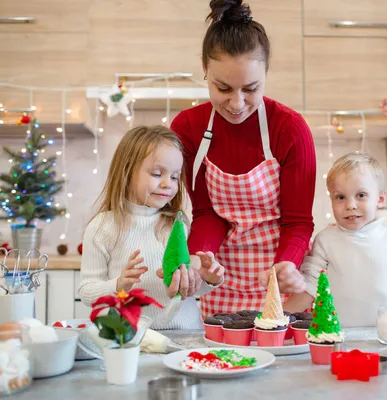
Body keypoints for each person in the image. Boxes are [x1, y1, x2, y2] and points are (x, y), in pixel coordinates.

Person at [170, 0, 316, 318]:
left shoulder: (290, 129)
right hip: (221, 280)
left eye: (251, 89)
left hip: (283, 279)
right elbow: (208, 213)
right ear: (204, 68)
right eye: (223, 88)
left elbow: (298, 221)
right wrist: (200, 258)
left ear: (266, 73)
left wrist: (287, 264)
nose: (237, 104)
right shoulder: (188, 128)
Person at [78, 125, 225, 329]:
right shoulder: (102, 227)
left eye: (175, 177)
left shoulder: (178, 225)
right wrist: (118, 284)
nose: (168, 184)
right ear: (127, 172)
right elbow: (86, 292)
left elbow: (186, 288)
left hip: (185, 335)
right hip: (130, 339)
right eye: (157, 174)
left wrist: (207, 279)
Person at [283, 152, 387, 327]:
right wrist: (277, 319)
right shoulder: (326, 239)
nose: (350, 205)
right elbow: (310, 287)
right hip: (338, 336)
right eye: (340, 197)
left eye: (361, 195)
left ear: (380, 198)